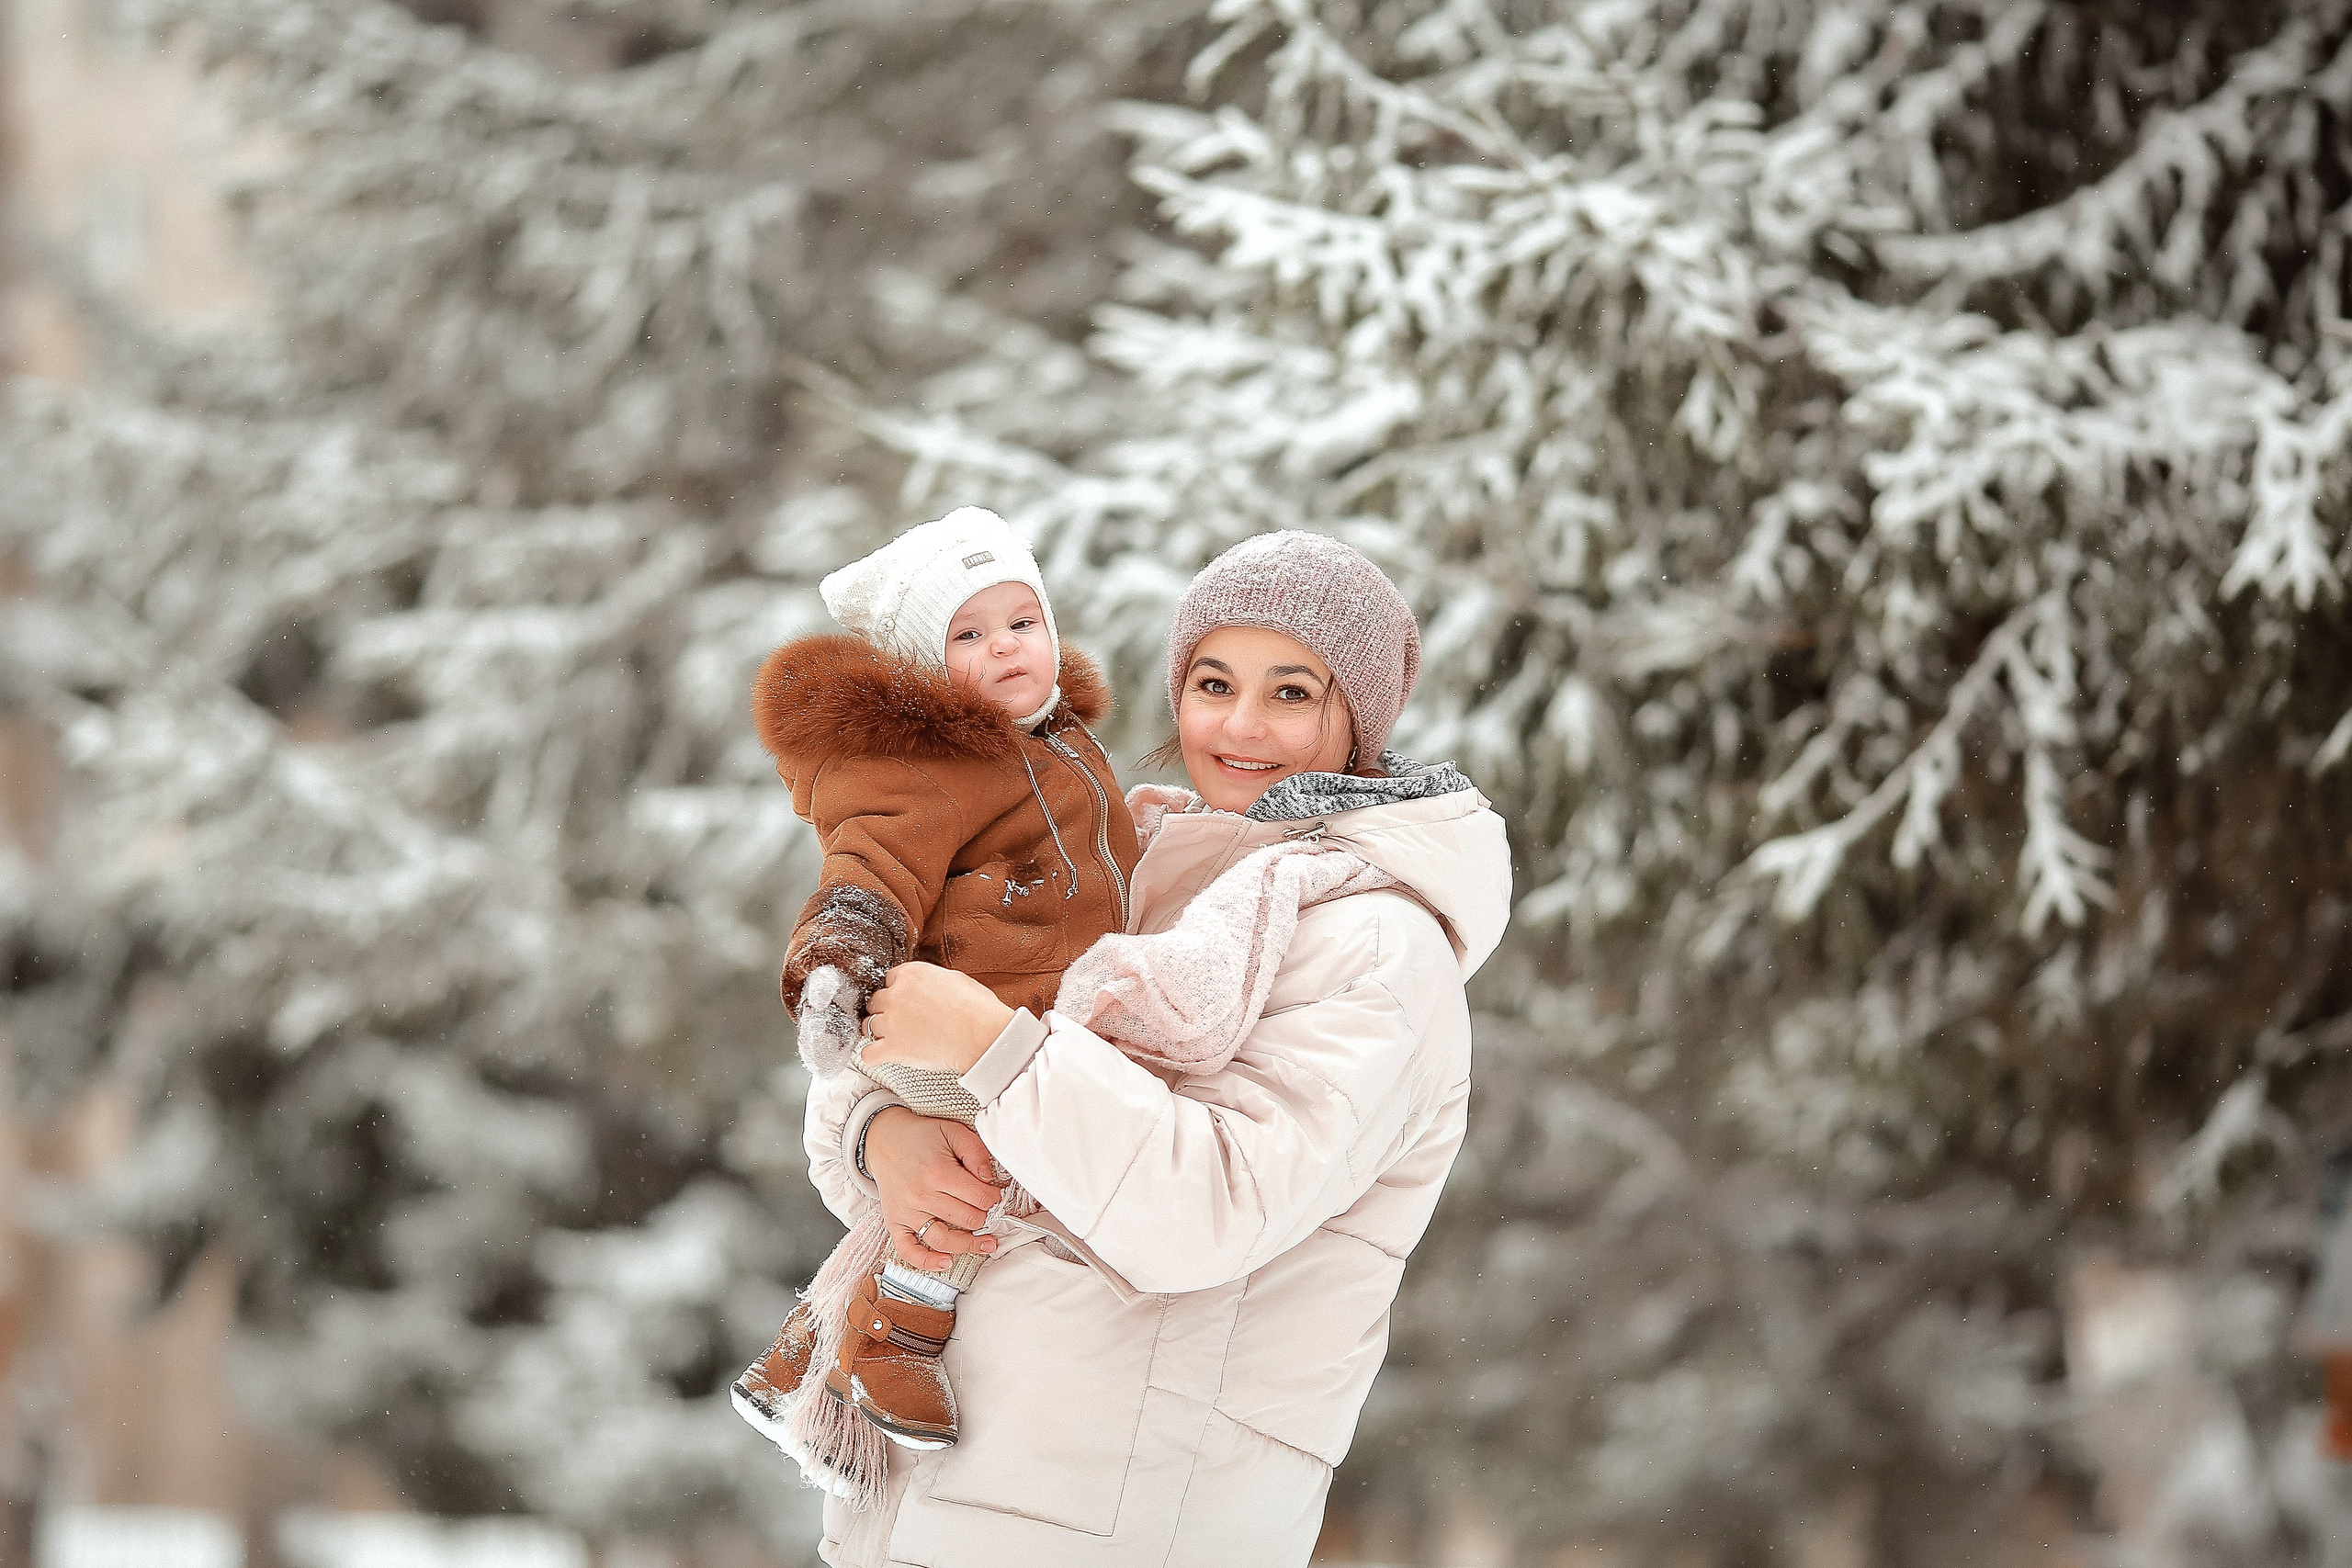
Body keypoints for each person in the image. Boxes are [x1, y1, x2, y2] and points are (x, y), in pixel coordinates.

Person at [807, 531, 1512, 1565]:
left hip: (1122, 1522)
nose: (1240, 724)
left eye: (1291, 693)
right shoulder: (1128, 878)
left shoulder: (1375, 943)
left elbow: (1210, 1206)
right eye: (1214, 683)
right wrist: (882, 1133)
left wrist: (998, 1057)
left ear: (1359, 715)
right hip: (941, 1496)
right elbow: (900, 1049)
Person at [729, 507, 1138, 1466]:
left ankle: (802, 1352)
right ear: (924, 663)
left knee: (975, 1154)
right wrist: (836, 966)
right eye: (968, 634)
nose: (1005, 647)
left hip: (1023, 1017)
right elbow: (869, 868)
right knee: (980, 1163)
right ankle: (895, 1338)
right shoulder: (930, 767)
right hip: (956, 1022)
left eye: (1022, 622)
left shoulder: (1059, 742)